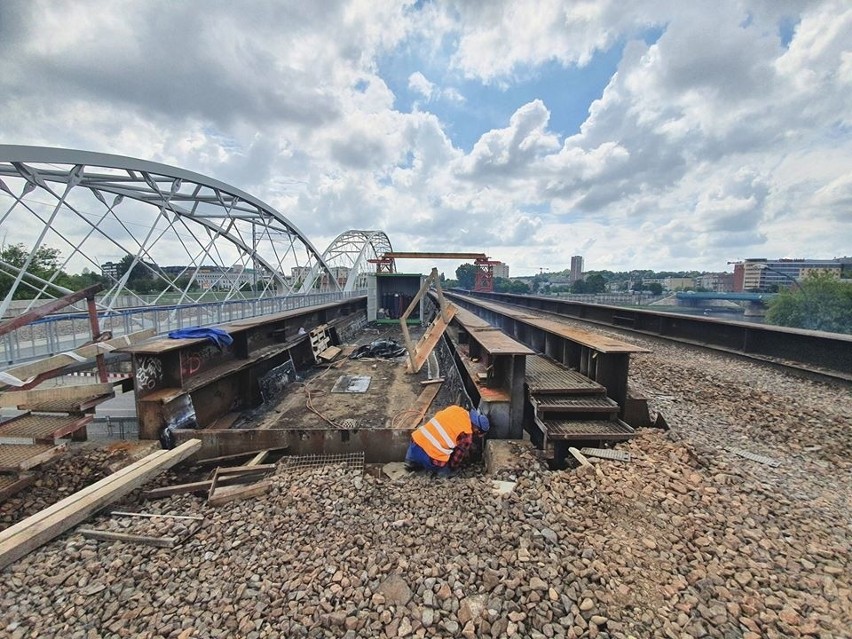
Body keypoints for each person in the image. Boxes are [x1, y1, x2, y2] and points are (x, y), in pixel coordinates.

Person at [405, 405, 490, 476]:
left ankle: (410, 462)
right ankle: (440, 476)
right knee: (447, 470)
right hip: (430, 457)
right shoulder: (466, 434)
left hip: (415, 443)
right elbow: (455, 462)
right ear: (477, 430)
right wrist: (452, 468)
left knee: (420, 445)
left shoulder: (455, 409)